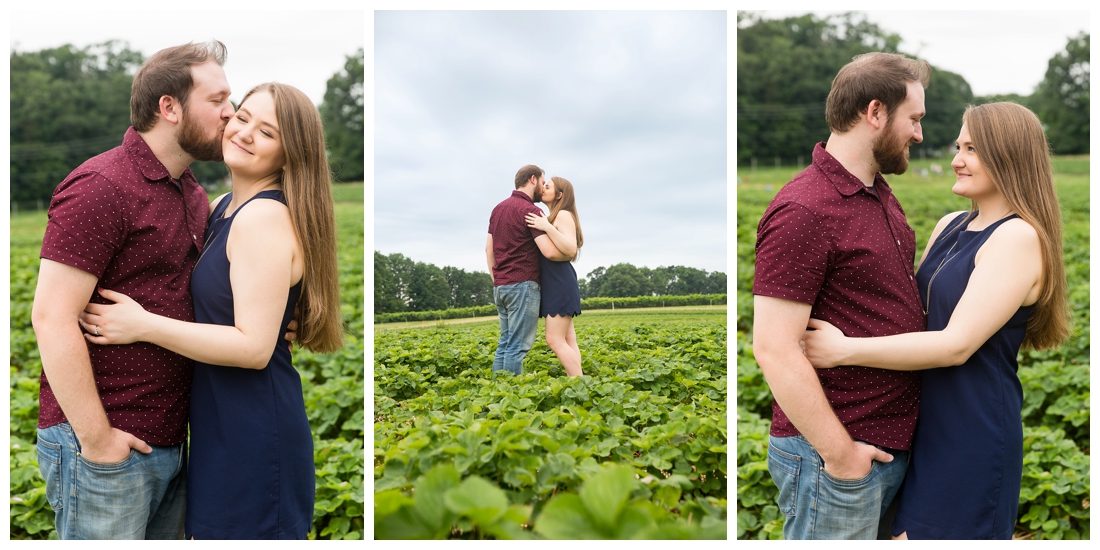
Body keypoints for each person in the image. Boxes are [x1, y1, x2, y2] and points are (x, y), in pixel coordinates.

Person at [78, 82, 344, 539]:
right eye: (243, 117)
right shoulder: (222, 207)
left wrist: (143, 325)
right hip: (217, 423)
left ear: (290, 154)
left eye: (268, 132)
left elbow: (255, 348)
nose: (244, 133)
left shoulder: (263, 218)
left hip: (253, 429)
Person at [801, 102, 1069, 540]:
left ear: (1009, 156)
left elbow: (954, 344)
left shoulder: (1018, 237)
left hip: (969, 434)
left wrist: (845, 348)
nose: (956, 159)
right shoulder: (949, 225)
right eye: (958, 145)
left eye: (973, 149)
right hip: (919, 427)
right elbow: (913, 316)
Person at [30, 40, 234, 540]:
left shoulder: (191, 192)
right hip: (104, 443)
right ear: (169, 107)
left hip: (170, 439)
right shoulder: (102, 184)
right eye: (218, 101)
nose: (232, 114)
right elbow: (51, 316)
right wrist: (98, 442)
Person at [751, 52, 930, 540]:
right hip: (837, 451)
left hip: (885, 445)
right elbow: (773, 347)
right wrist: (841, 456)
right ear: (875, 113)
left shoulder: (877, 193)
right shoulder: (805, 209)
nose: (919, 134)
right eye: (913, 119)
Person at [485, 165, 566, 375]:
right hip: (523, 285)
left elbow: (488, 249)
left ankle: (497, 394)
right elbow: (548, 251)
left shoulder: (498, 209)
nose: (543, 186)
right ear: (533, 179)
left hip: (501, 286)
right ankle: (511, 397)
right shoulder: (531, 211)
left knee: (505, 341)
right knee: (517, 346)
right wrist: (569, 252)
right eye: (542, 181)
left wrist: (498, 278)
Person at [525, 176, 585, 376]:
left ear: (559, 195)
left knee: (554, 339)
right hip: (556, 281)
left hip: (559, 282)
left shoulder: (563, 215)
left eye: (548, 186)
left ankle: (579, 381)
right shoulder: (554, 216)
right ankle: (577, 380)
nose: (543, 188)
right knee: (568, 339)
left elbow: (570, 249)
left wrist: (546, 226)